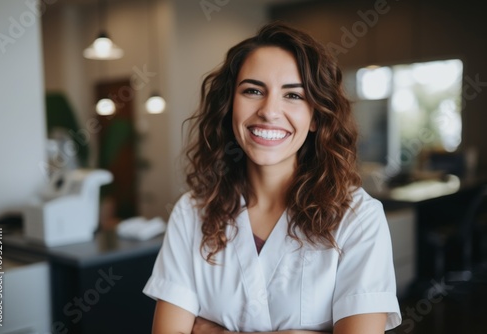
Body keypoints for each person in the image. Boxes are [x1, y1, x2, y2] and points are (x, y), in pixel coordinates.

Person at [143, 21, 402, 334]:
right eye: (253, 91)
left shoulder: (358, 217)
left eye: (292, 96)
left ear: (316, 117)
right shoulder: (191, 211)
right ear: (229, 107)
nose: (269, 110)